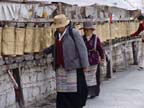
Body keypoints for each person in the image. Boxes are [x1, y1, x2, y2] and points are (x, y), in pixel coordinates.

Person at [43, 14, 89, 108]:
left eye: (60, 26)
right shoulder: (57, 35)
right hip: (60, 67)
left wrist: (85, 64)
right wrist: (46, 51)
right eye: (57, 27)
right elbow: (56, 46)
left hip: (72, 67)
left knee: (73, 91)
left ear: (65, 25)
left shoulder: (73, 33)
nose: (59, 28)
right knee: (62, 91)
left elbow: (82, 49)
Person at [80, 21, 105, 99]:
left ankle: (93, 92)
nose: (86, 31)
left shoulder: (95, 38)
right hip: (85, 60)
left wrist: (102, 58)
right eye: (85, 30)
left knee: (94, 77)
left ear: (91, 30)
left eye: (87, 30)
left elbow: (101, 49)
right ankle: (85, 92)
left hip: (94, 59)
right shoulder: (81, 38)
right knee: (85, 77)